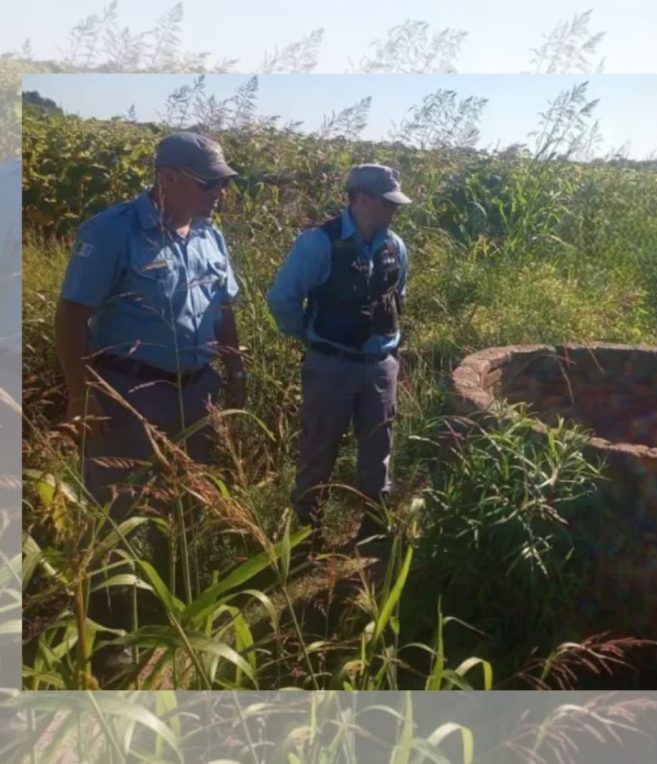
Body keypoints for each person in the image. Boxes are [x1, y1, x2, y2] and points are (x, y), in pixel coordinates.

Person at [55, 131, 246, 679]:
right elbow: (71, 317)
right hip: (129, 395)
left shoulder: (209, 236)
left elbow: (224, 310)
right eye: (209, 183)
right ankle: (112, 639)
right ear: (167, 179)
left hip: (198, 391)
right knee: (114, 515)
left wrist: (236, 373)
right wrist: (79, 393)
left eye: (222, 183)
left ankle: (172, 610)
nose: (220, 193)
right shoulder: (114, 231)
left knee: (186, 505)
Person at [267, 164, 411, 550]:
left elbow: (398, 296)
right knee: (319, 448)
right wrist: (314, 339)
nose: (394, 210)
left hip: (380, 365)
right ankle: (304, 536)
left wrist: (389, 350)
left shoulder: (394, 245)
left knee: (378, 449)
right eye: (387, 202)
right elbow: (283, 299)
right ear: (360, 199)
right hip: (330, 364)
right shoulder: (318, 243)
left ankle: (374, 530)